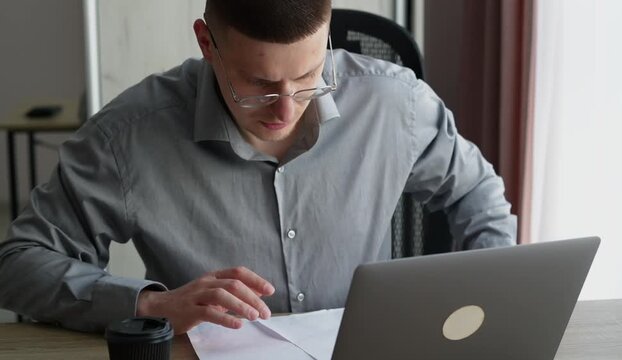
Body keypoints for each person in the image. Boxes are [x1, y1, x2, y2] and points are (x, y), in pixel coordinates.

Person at [0, 0, 516, 334]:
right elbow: (19, 263)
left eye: (310, 74)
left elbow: (480, 198)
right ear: (207, 44)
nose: (286, 109)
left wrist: (476, 310)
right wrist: (153, 307)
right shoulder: (127, 138)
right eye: (260, 85)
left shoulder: (394, 104)